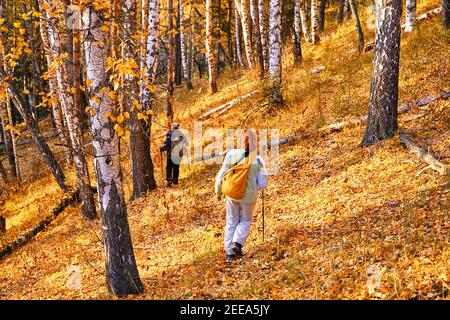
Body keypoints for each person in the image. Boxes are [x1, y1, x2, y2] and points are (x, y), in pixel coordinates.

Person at [215, 129, 268, 261]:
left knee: (231, 221)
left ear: (240, 140)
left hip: (232, 194)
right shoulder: (258, 159)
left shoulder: (231, 154)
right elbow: (262, 184)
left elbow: (222, 174)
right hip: (249, 197)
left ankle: (229, 252)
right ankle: (236, 244)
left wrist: (218, 191)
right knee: (245, 221)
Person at [160, 123, 188, 187]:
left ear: (172, 128)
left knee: (169, 167)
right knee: (176, 167)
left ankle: (169, 179)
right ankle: (175, 180)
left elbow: (166, 144)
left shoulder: (170, 135)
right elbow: (186, 143)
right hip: (178, 155)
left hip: (171, 154)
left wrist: (162, 148)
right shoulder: (182, 135)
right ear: (178, 128)